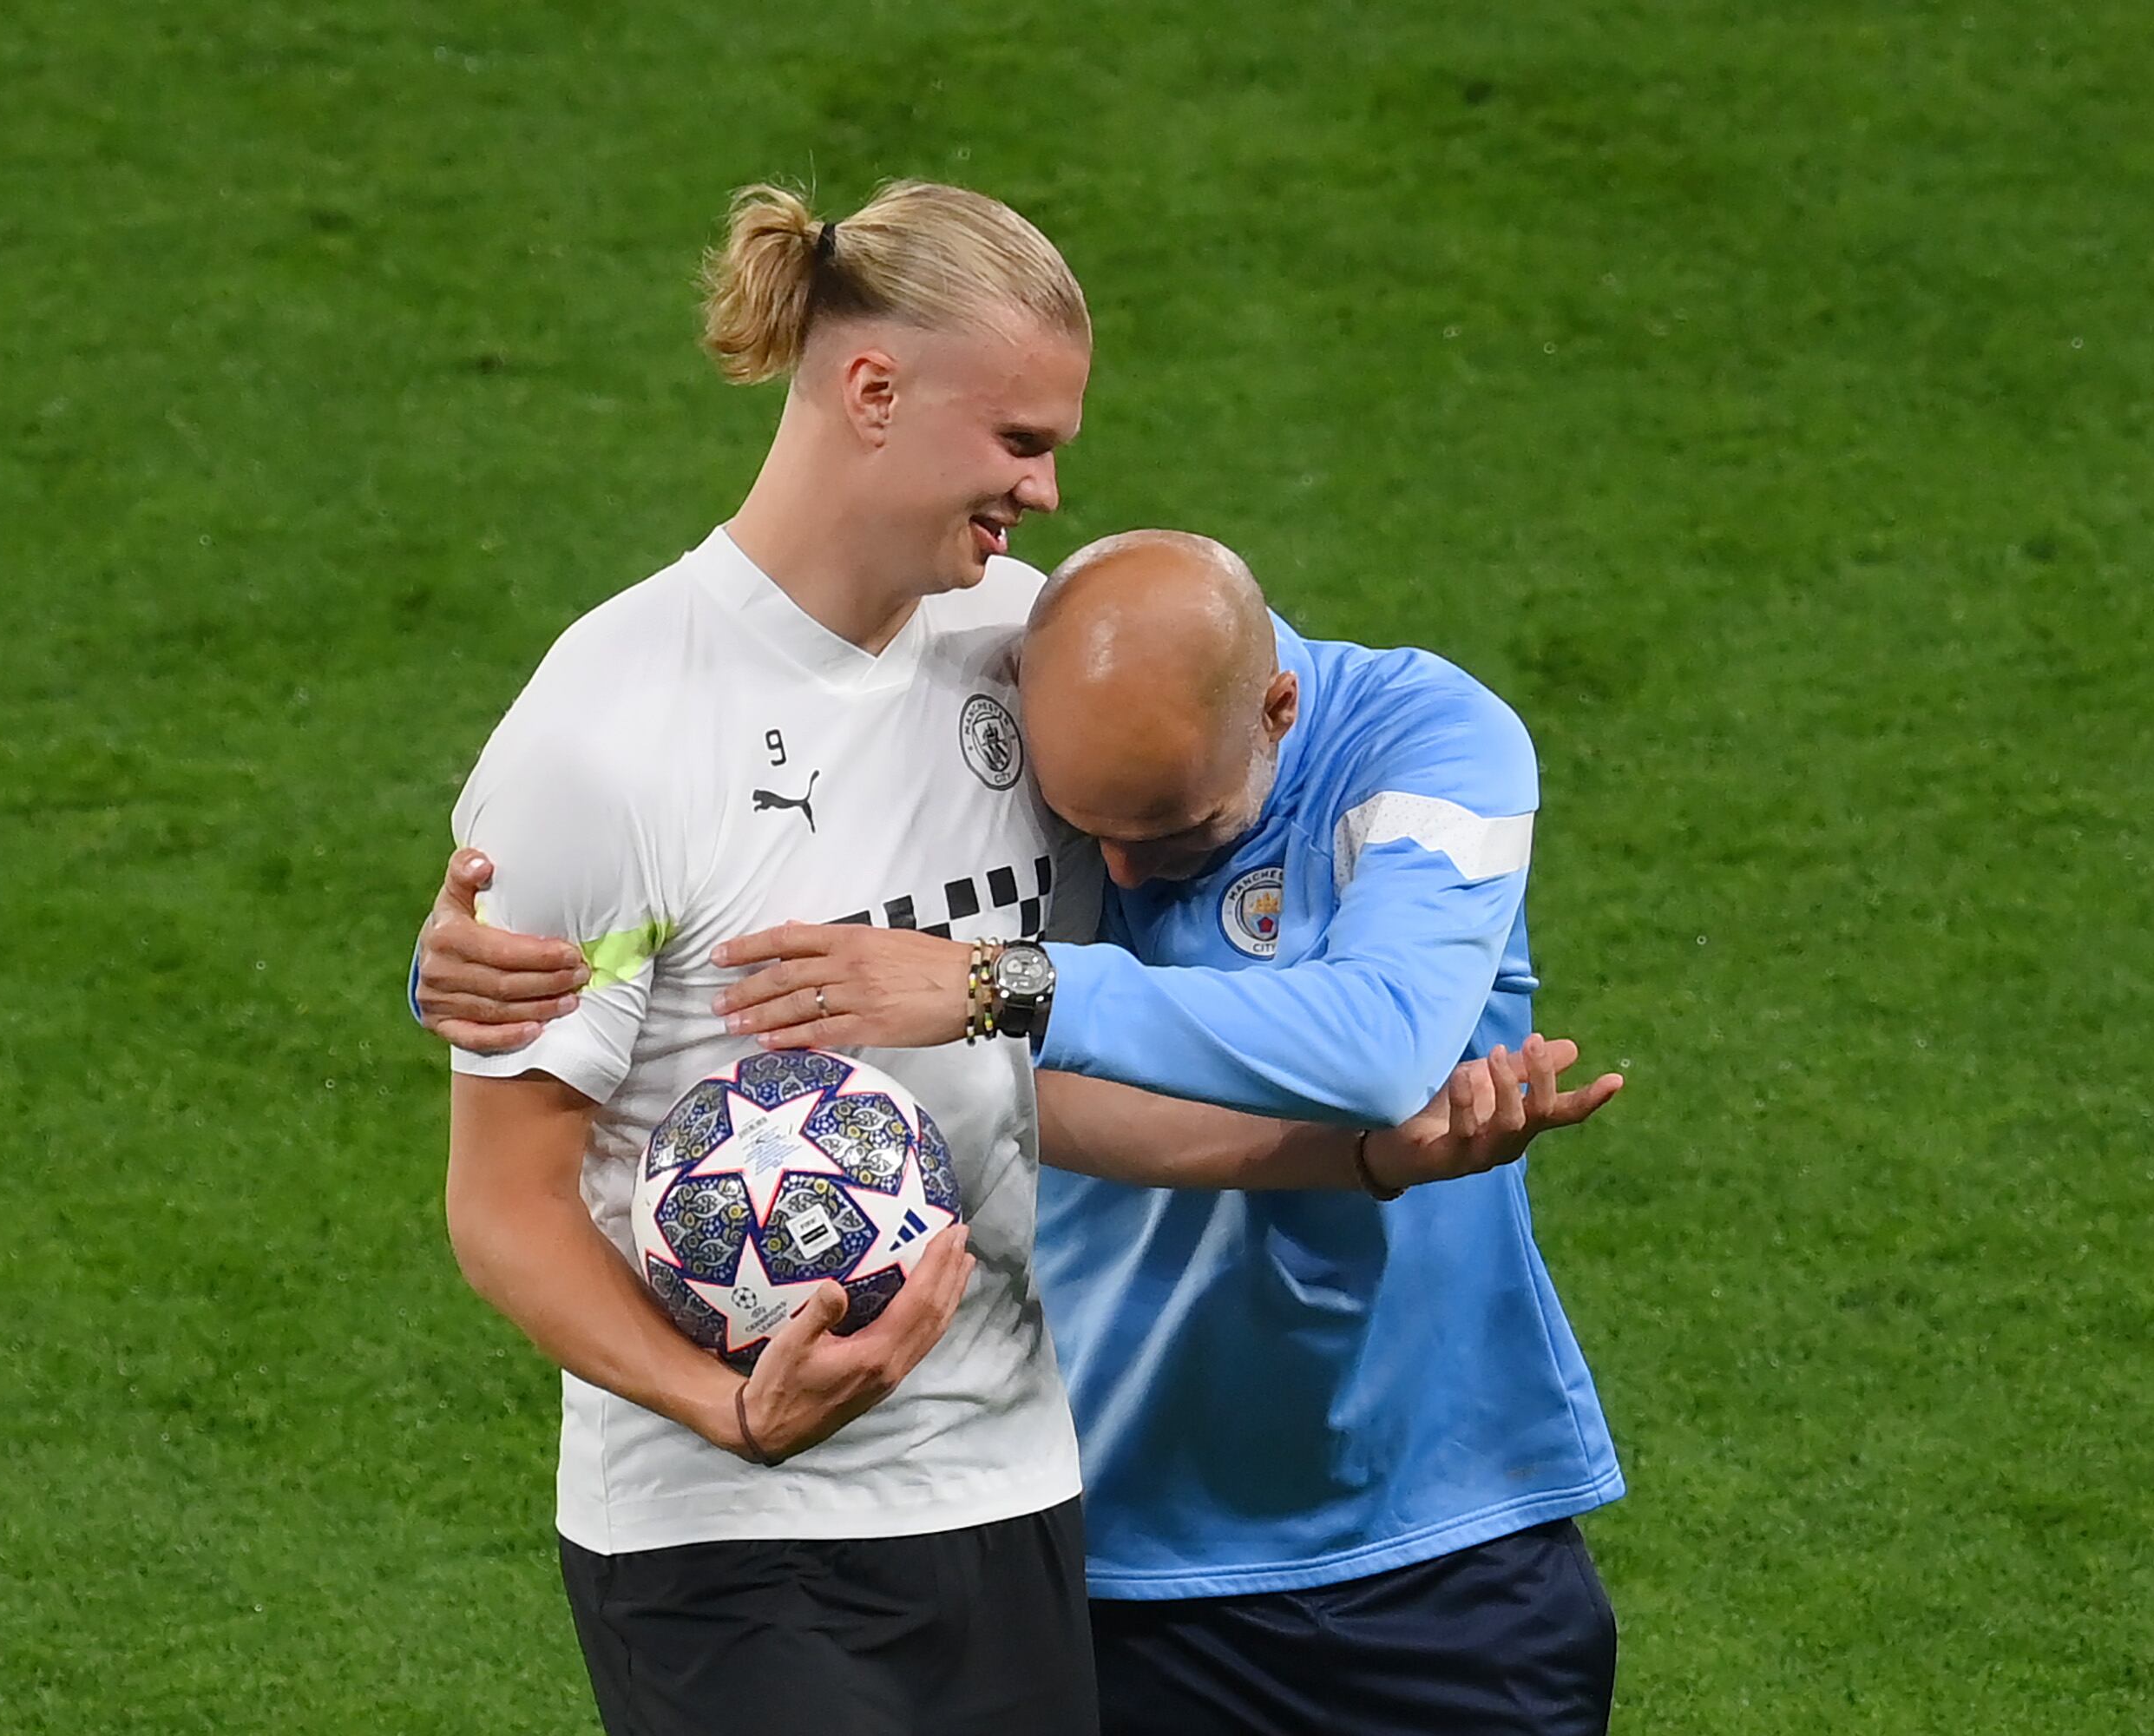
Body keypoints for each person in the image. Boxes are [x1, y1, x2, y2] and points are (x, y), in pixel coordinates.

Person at [435, 181, 1606, 1736]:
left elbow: (1034, 1075)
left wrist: (1375, 1160)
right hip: (730, 1528)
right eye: (1022, 442)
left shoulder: (1019, 650)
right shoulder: (611, 727)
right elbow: (501, 1197)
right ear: (872, 391)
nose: (1052, 492)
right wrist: (724, 1402)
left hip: (1018, 1501)